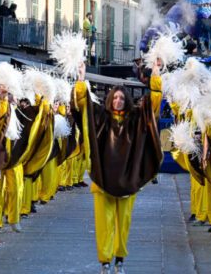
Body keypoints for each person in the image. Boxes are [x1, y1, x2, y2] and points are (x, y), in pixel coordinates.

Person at [73, 60, 162, 274]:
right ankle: (104, 261)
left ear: (127, 100)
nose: (119, 100)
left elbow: (153, 104)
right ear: (110, 99)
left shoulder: (135, 119)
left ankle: (120, 260)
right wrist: (80, 79)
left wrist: (156, 77)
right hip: (102, 181)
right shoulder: (100, 117)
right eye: (115, 97)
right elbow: (82, 103)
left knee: (123, 224)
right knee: (104, 223)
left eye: (122, 98)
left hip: (128, 181)